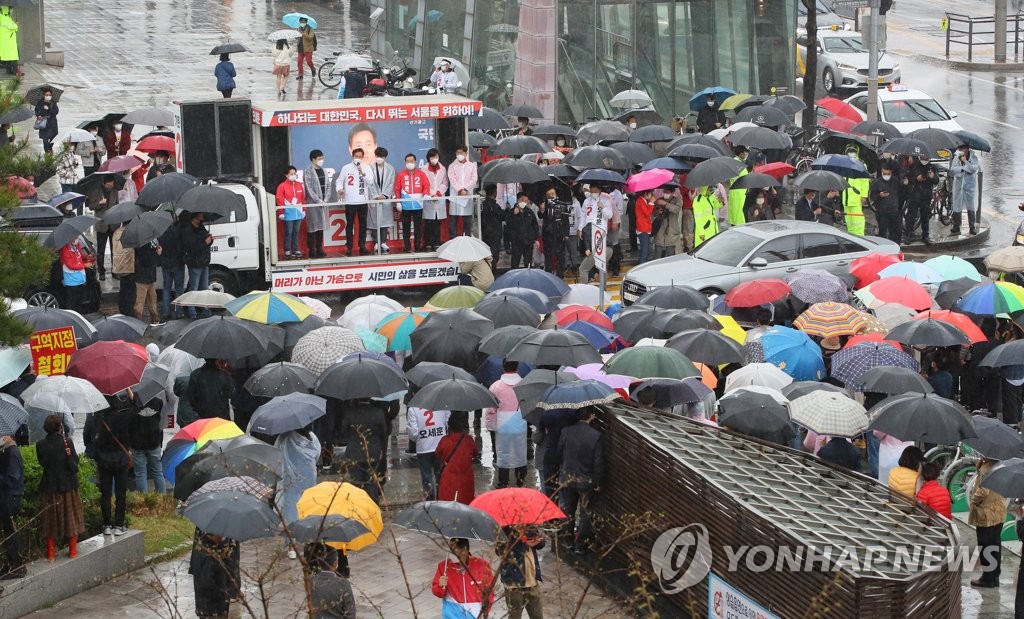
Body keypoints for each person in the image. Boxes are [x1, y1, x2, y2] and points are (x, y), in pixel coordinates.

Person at [37, 415, 85, 562]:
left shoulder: (40, 445)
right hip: (68, 486)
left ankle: (51, 553)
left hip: (49, 487)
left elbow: (43, 463)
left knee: (50, 520)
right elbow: (74, 461)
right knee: (71, 517)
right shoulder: (67, 442)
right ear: (59, 427)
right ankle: (72, 550)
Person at [557, 407, 604, 554]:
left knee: (568, 509)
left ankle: (566, 540)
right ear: (591, 416)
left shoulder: (566, 431)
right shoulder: (596, 435)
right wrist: (598, 482)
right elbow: (598, 462)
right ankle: (581, 545)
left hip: (567, 478)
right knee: (585, 513)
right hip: (586, 480)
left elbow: (559, 453)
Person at [94, 390, 137, 536]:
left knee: (105, 494)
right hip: (121, 460)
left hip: (103, 460)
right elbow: (136, 410)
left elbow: (88, 437)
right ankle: (119, 525)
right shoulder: (124, 417)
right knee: (121, 493)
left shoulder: (97, 418)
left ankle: (106, 524)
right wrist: (130, 393)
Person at [276, 426, 320, 555]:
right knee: (308, 508)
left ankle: (291, 546)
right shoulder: (312, 437)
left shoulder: (284, 437)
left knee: (290, 510)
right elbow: (317, 455)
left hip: (289, 480)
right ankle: (309, 541)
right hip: (308, 476)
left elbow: (277, 454)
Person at [337, 399, 389, 503]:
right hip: (373, 453)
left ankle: (357, 508)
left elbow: (342, 431)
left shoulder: (350, 412)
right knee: (372, 484)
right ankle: (373, 508)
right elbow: (384, 433)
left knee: (355, 484)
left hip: (354, 453)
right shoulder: (378, 412)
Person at [431, 537, 494, 618]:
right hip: (451, 615)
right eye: (451, 551)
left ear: (465, 551)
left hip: (475, 615)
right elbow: (438, 593)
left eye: (456, 553)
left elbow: (489, 592)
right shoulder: (444, 566)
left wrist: (485, 611)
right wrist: (440, 585)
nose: (452, 556)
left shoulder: (482, 566)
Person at [488, 361, 527, 488]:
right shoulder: (524, 384)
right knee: (520, 451)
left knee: (503, 453)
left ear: (503, 367)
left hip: (502, 424)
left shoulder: (495, 386)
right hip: (520, 423)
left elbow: (491, 410)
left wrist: (490, 426)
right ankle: (520, 478)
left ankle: (503, 481)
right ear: (517, 367)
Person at [970, 458, 1005, 588]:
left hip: (986, 513)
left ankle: (988, 578)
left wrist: (973, 500)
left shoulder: (988, 468)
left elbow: (984, 490)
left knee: (986, 545)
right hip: (998, 511)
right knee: (994, 543)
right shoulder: (1000, 465)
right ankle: (994, 575)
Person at [496, 525, 545, 619]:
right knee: (515, 616)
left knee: (537, 615)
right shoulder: (505, 531)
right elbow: (500, 552)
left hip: (532, 582)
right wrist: (524, 544)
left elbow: (540, 545)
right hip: (514, 585)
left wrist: (539, 540)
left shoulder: (530, 526)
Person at [407, 400, 450, 500]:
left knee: (426, 476)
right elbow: (447, 421)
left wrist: (418, 438)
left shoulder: (413, 408)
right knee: (440, 474)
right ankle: (442, 497)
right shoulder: (442, 404)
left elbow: (413, 433)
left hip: (423, 447)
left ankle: (430, 500)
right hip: (440, 444)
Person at [189, 531, 236, 618]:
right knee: (209, 608)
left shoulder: (228, 528)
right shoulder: (206, 527)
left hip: (220, 574)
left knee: (219, 607)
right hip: (207, 567)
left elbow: (232, 554)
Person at [306, 543, 357, 619]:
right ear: (335, 563)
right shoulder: (343, 584)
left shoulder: (311, 581)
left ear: (319, 563)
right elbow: (350, 612)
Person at [435, 417, 477, 504]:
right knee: (466, 501)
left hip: (448, 476)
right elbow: (475, 452)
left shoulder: (445, 440)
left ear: (450, 426)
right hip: (466, 477)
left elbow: (438, 453)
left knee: (447, 502)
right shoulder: (469, 439)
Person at [303, 149, 336, 259]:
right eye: (319, 159)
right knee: (312, 228)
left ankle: (319, 248)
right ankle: (312, 250)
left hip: (323, 203)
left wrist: (326, 199)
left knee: (321, 227)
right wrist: (318, 200)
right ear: (313, 159)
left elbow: (328, 186)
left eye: (322, 158)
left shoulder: (324, 171)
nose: (321, 160)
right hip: (313, 204)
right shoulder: (308, 171)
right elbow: (309, 188)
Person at [0, 434, 24, 579]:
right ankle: (12, 563)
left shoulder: (12, 452)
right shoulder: (5, 451)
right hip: (7, 497)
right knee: (7, 530)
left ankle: (17, 565)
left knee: (11, 531)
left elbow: (11, 478)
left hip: (12, 497)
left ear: (9, 436)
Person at [181, 213, 214, 319]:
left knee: (204, 289)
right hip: (195, 263)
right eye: (200, 214)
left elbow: (205, 242)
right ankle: (192, 312)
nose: (202, 215)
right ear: (194, 216)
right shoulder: (188, 230)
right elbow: (192, 248)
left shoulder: (201, 227)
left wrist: (210, 240)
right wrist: (205, 242)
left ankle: (205, 310)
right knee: (193, 289)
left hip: (204, 262)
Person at [395, 152, 429, 252]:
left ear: (415, 162)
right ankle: (407, 246)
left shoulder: (421, 174)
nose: (410, 163)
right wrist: (398, 202)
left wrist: (426, 194)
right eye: (407, 161)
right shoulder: (401, 174)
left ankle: (417, 246)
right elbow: (397, 189)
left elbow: (426, 186)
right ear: (405, 162)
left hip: (418, 205)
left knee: (418, 228)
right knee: (406, 228)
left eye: (411, 161)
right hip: (406, 206)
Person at [339, 149, 370, 256]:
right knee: (349, 224)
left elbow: (371, 182)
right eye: (356, 156)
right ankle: (349, 247)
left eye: (360, 156)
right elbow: (339, 181)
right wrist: (339, 189)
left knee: (363, 224)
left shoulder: (366, 167)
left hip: (363, 201)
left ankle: (362, 245)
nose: (358, 158)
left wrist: (362, 172)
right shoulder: (346, 167)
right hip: (350, 201)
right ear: (352, 156)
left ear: (362, 157)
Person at [902, 155, 939, 244]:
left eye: (926, 158)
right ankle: (909, 235)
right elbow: (908, 179)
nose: (924, 160)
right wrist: (916, 178)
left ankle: (925, 236)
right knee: (911, 216)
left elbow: (936, 181)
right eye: (923, 157)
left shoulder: (932, 167)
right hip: (914, 195)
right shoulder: (914, 166)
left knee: (925, 217)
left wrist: (932, 177)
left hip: (926, 195)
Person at [367, 146, 397, 253]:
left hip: (385, 199)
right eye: (378, 156)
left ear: (385, 157)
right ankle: (376, 242)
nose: (380, 158)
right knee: (375, 221)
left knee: (384, 221)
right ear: (375, 156)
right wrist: (375, 195)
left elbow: (391, 184)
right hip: (374, 198)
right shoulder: (369, 168)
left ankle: (383, 242)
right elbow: (369, 184)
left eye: (382, 156)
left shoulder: (390, 169)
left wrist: (384, 195)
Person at [91, 174, 119, 280]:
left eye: (112, 185)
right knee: (101, 251)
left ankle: (114, 271)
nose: (110, 186)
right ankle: (101, 271)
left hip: (113, 224)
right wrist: (100, 203)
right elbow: (91, 206)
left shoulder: (115, 191)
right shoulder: (97, 191)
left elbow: (117, 204)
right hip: (101, 224)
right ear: (104, 183)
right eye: (108, 185)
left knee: (114, 250)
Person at [277, 165, 307, 259]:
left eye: (294, 173)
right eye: (291, 174)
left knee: (296, 232)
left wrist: (304, 210)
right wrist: (281, 212)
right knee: (288, 232)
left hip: (298, 213)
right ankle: (287, 250)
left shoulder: (299, 185)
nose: (293, 175)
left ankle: (295, 249)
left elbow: (303, 198)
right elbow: (279, 199)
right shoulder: (282, 186)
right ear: (286, 175)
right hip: (288, 213)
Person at [538, 187, 569, 276]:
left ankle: (560, 275)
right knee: (548, 256)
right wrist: (542, 209)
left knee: (560, 256)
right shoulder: (545, 205)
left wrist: (566, 234)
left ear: (556, 194)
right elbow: (540, 216)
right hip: (547, 235)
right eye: (549, 195)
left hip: (559, 234)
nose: (551, 196)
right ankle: (548, 273)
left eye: (553, 194)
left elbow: (566, 220)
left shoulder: (562, 205)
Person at [159, 216, 185, 321]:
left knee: (166, 289)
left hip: (166, 264)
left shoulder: (161, 233)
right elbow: (181, 247)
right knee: (179, 289)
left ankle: (166, 312)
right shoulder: (178, 231)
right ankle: (179, 312)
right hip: (178, 264)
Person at [950, 143, 980, 236]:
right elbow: (953, 169)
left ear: (967, 149)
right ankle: (956, 227)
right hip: (959, 185)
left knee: (971, 206)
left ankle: (972, 227)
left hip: (969, 186)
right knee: (957, 205)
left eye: (963, 148)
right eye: (960, 149)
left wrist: (966, 162)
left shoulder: (974, 158)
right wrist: (962, 169)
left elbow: (973, 169)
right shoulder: (957, 157)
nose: (961, 150)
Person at [448, 145, 478, 238]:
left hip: (467, 196)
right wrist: (460, 190)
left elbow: (474, 179)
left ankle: (467, 240)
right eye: (457, 153)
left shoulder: (472, 166)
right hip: (455, 197)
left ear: (466, 153)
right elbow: (452, 179)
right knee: (453, 222)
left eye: (461, 153)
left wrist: (465, 189)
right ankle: (453, 241)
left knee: (467, 222)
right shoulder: (452, 166)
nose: (459, 154)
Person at [422, 148, 449, 251]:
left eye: (436, 157)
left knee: (438, 222)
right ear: (428, 158)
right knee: (428, 222)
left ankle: (437, 242)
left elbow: (445, 183)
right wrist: (431, 195)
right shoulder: (424, 169)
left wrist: (437, 194)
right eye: (432, 157)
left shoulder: (442, 168)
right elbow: (424, 184)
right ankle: (428, 242)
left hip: (439, 197)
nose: (434, 159)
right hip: (429, 198)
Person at [60, 238, 95, 314]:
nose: (77, 239)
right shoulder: (65, 250)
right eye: (75, 237)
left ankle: (78, 317)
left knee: (79, 302)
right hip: (72, 281)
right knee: (73, 304)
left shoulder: (76, 245)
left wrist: (87, 257)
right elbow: (71, 265)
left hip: (79, 279)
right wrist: (85, 265)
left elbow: (79, 257)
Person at [505, 193, 539, 270]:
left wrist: (536, 239)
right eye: (522, 200)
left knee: (528, 263)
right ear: (518, 200)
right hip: (516, 242)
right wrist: (514, 214)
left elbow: (535, 225)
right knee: (515, 263)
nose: (524, 202)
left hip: (528, 241)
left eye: (526, 201)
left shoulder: (529, 212)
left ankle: (528, 278)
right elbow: (508, 226)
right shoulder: (511, 212)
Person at [871, 161, 902, 243]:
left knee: (896, 232)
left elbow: (902, 193)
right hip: (882, 211)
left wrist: (905, 185)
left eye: (888, 174)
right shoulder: (877, 183)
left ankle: (895, 246)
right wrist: (879, 195)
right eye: (884, 173)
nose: (886, 175)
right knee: (883, 232)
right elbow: (872, 196)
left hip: (894, 211)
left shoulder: (895, 182)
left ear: (891, 173)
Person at [841, 145, 869, 236]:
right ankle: (851, 237)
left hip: (856, 197)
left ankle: (860, 237)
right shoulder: (844, 164)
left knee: (857, 220)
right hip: (846, 197)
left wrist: (864, 195)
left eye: (853, 151)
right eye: (850, 151)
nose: (851, 153)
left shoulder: (861, 164)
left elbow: (865, 181)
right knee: (849, 221)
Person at [134, 238, 162, 325]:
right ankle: (137, 322)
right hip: (142, 277)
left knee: (152, 299)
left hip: (148, 277)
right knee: (140, 302)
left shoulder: (150, 242)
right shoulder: (142, 244)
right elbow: (147, 260)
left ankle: (155, 319)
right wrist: (157, 254)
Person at [111, 224, 136, 317]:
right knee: (130, 291)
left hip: (119, 266)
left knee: (123, 290)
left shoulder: (116, 232)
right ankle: (128, 311)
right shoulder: (130, 233)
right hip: (129, 266)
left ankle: (122, 309)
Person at [480, 185, 504, 267]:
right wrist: (507, 209)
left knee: (487, 255)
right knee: (493, 256)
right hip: (494, 235)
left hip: (485, 234)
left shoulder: (483, 205)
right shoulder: (495, 206)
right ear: (494, 193)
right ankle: (492, 273)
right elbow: (502, 216)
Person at [652, 193, 680, 259]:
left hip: (671, 235)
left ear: (672, 192)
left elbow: (676, 209)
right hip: (660, 234)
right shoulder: (659, 200)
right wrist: (658, 211)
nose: (665, 193)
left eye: (667, 192)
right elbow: (653, 213)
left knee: (670, 258)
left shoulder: (677, 200)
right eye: (665, 191)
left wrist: (665, 204)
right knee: (658, 257)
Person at [34, 87, 59, 154]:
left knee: (52, 138)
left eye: (49, 95)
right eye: (47, 95)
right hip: (43, 123)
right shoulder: (40, 102)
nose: (48, 96)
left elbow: (56, 112)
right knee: (45, 140)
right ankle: (47, 153)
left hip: (52, 124)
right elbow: (36, 110)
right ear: (43, 95)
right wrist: (38, 115)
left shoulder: (53, 102)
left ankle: (50, 149)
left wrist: (48, 109)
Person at [634, 189, 654, 264]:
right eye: (650, 194)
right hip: (643, 228)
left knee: (644, 250)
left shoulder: (643, 201)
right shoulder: (640, 201)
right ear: (646, 194)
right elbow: (647, 213)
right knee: (645, 251)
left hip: (644, 227)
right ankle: (642, 265)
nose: (651, 195)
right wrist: (651, 203)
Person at [0, 6, 18, 76]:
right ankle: (15, 71)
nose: (11, 10)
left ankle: (9, 70)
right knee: (13, 55)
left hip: (8, 39)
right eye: (10, 9)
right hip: (7, 39)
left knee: (9, 56)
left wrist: (15, 25)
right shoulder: (3, 17)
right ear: (6, 9)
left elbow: (12, 25)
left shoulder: (7, 16)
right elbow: (11, 26)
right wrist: (16, 25)